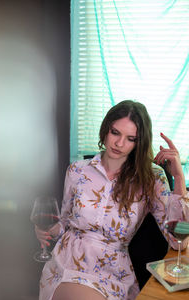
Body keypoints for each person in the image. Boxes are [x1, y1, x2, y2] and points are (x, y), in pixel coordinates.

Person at [35, 100, 189, 300]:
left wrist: (178, 178)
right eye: (115, 133)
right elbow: (64, 223)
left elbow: (178, 243)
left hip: (112, 271)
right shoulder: (77, 170)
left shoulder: (151, 178)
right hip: (68, 262)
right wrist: (47, 230)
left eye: (130, 138)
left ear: (139, 142)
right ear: (106, 129)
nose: (119, 143)